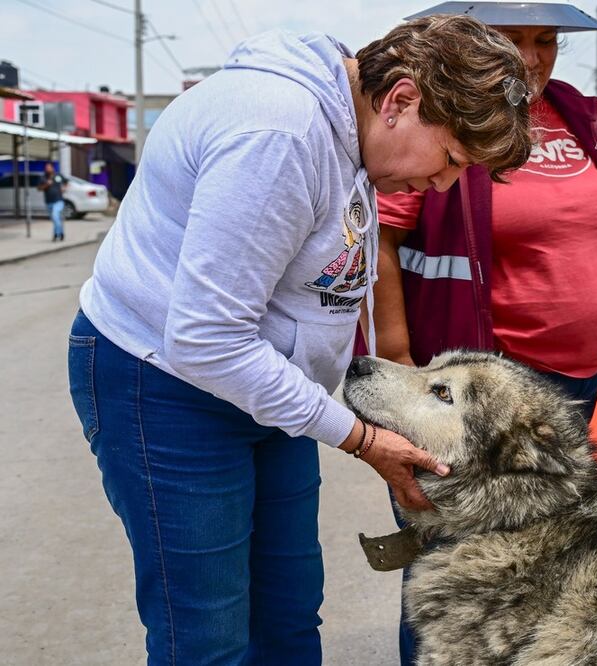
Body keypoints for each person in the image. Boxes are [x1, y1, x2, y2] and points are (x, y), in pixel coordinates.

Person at [66, 16, 531, 665]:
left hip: (261, 387)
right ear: (400, 99)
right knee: (207, 634)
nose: (445, 183)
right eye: (451, 158)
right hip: (165, 385)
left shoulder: (352, 132)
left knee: (286, 616)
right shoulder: (277, 133)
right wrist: (362, 438)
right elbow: (205, 338)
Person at [370, 3, 597, 663]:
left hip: (582, 379)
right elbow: (382, 241)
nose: (533, 57)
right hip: (489, 391)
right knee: (457, 561)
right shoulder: (444, 116)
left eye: (545, 40)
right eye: (511, 40)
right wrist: (400, 364)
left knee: (549, 560)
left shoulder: (576, 112)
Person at [37, 162, 67, 241]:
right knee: (55, 219)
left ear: (52, 168)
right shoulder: (43, 177)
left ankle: (56, 235)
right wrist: (47, 184)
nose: (48, 169)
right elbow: (39, 188)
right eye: (46, 168)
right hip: (49, 202)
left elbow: (66, 182)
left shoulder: (58, 176)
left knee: (55, 215)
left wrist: (64, 187)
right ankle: (61, 233)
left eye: (49, 167)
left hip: (58, 200)